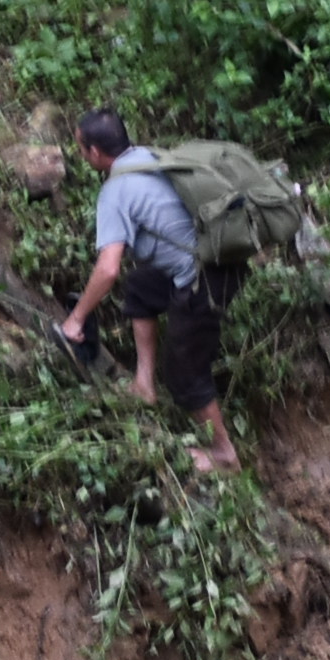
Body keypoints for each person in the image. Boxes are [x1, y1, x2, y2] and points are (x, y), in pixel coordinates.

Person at [53, 109, 240, 476]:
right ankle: (143, 385)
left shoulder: (114, 192)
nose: (80, 156)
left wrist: (76, 321)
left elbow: (108, 268)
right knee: (140, 287)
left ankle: (225, 455)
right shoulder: (148, 156)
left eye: (80, 149)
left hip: (203, 280)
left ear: (94, 153)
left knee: (185, 375)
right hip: (217, 260)